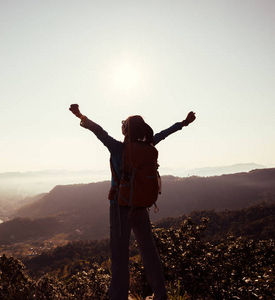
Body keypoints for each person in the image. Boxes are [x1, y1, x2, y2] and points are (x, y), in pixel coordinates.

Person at [69, 104, 196, 300]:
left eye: (123, 124)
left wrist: (80, 116)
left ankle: (119, 297)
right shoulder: (149, 145)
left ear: (127, 129)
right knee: (149, 252)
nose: (122, 126)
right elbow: (165, 133)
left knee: (120, 257)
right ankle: (160, 294)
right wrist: (184, 123)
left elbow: (99, 131)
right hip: (141, 206)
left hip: (119, 208)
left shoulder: (118, 148)